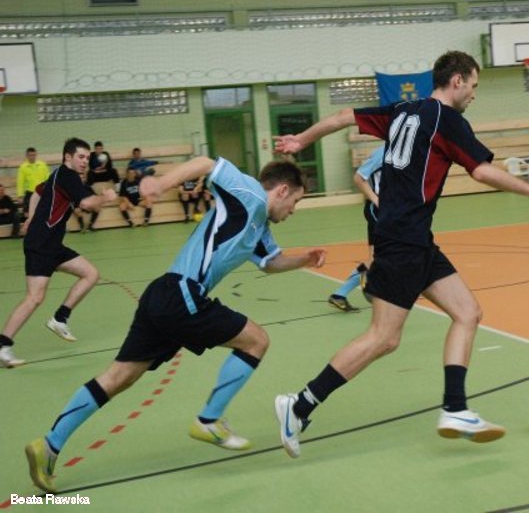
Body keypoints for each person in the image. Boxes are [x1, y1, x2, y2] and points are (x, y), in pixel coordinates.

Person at [272, 50, 529, 458]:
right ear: (457, 81)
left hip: (414, 238)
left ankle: (455, 409)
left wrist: (302, 139)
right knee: (383, 338)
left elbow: (343, 117)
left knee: (467, 312)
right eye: (473, 85)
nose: (474, 94)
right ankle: (299, 406)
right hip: (403, 239)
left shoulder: (402, 110)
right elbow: (481, 171)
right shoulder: (448, 120)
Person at [24, 156, 327, 492]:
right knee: (257, 340)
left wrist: (304, 259)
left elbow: (270, 262)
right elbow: (206, 164)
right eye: (296, 201)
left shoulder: (259, 225)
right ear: (282, 190)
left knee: (118, 377)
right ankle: (209, 419)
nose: (293, 210)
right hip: (183, 293)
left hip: (163, 295)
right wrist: (160, 183)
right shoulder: (250, 193)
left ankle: (48, 446)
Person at [0, 138, 118, 369]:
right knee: (35, 297)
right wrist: (106, 197)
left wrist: (31, 216)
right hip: (41, 244)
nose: (85, 161)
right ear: (68, 157)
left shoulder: (60, 176)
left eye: (87, 158)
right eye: (81, 157)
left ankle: (60, 318)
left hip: (53, 245)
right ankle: (3, 345)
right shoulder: (68, 176)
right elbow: (86, 204)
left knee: (91, 274)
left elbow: (37, 193)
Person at [327, 146, 383, 312]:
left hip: (391, 211)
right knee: (381, 257)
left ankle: (339, 294)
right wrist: (376, 200)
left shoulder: (405, 152)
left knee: (375, 259)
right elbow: (359, 178)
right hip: (378, 210)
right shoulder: (382, 153)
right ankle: (371, 283)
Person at [16, 147, 50, 221]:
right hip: (30, 193)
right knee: (27, 214)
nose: (32, 157)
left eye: (34, 155)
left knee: (43, 212)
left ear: (36, 155)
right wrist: (20, 195)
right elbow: (20, 182)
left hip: (42, 192)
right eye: (30, 155)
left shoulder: (42, 165)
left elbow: (48, 178)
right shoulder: (23, 167)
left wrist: (49, 190)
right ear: (27, 156)